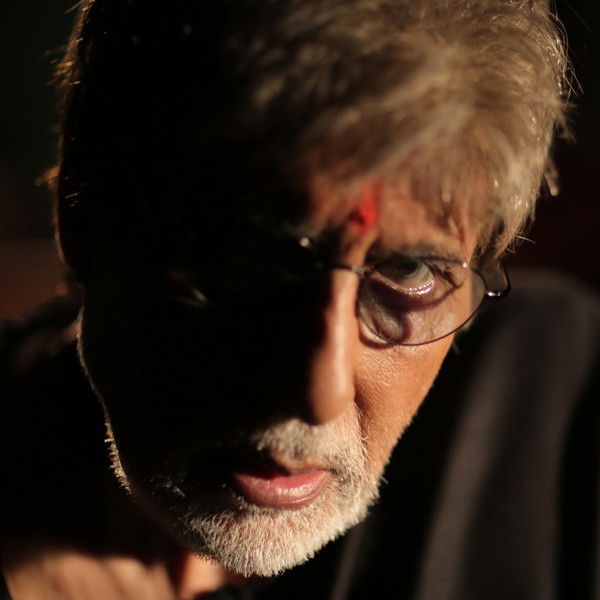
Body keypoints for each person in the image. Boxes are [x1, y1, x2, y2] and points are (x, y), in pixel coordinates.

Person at [1, 0, 598, 598]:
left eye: (409, 270)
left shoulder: (562, 401)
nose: (318, 391)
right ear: (79, 213)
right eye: (244, 256)